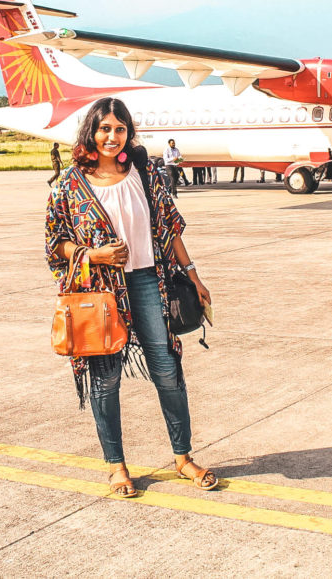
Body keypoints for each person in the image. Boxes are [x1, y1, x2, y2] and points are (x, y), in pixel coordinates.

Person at [45, 97, 217, 496]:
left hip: (147, 282)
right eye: (104, 128)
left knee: (167, 370)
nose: (111, 136)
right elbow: (56, 244)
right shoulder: (70, 183)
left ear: (128, 133)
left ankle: (183, 458)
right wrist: (93, 255)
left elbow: (170, 227)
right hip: (99, 293)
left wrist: (193, 275)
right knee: (105, 382)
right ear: (92, 131)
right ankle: (116, 467)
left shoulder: (147, 171)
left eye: (119, 129)